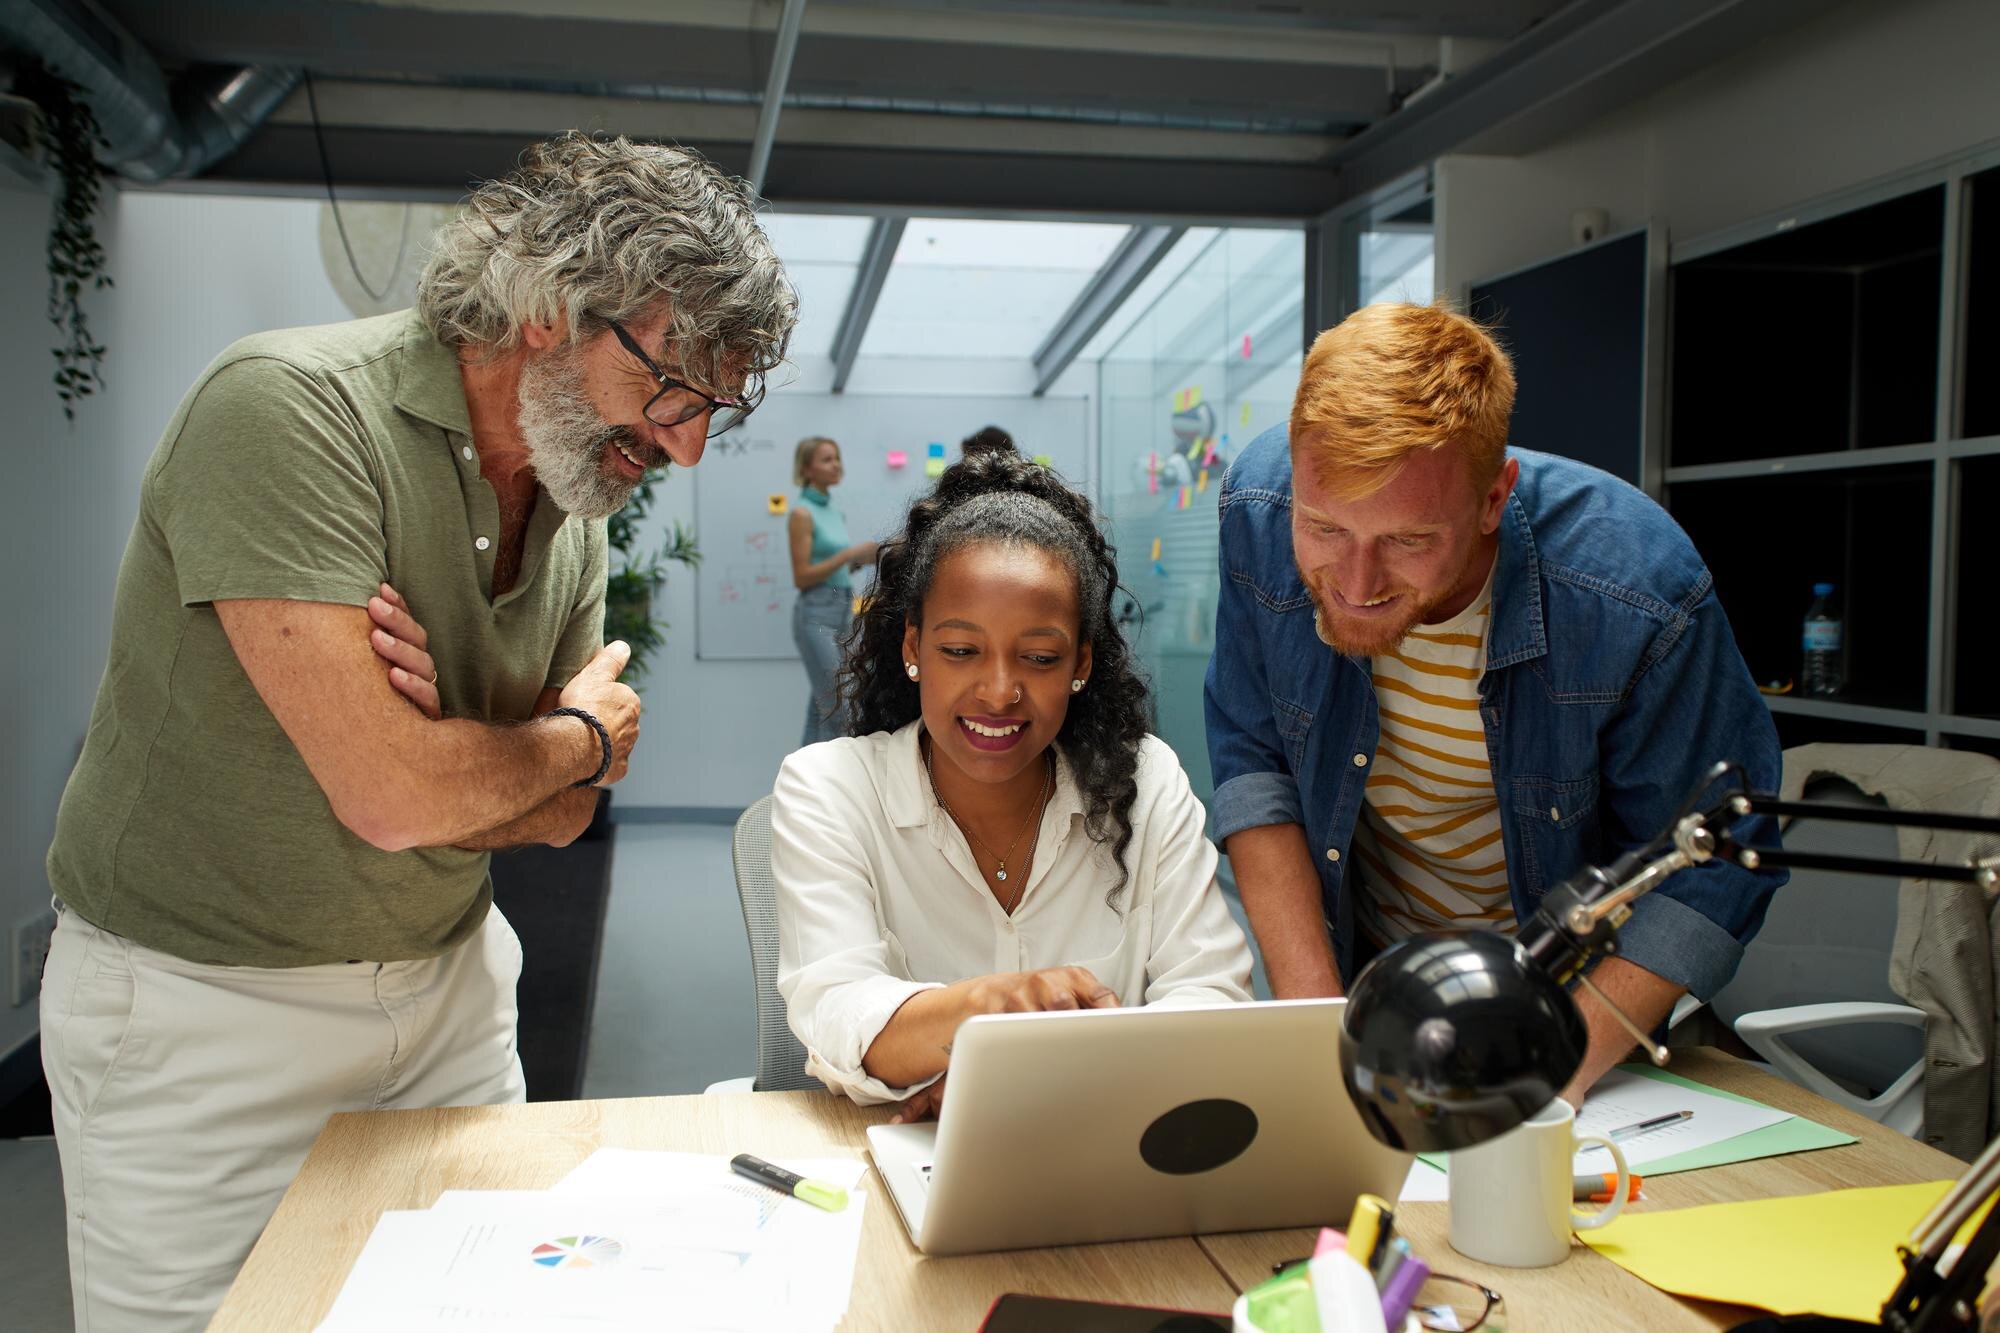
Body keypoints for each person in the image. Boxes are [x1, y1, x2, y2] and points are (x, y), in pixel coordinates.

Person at [38, 132, 795, 1331]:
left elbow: (561, 821)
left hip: (450, 993)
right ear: (551, 305)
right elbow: (404, 798)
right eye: (672, 387)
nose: (685, 445)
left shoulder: (578, 502)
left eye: (715, 410)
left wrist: (459, 754)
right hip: (206, 1016)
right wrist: (571, 737)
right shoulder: (286, 409)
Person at [1204, 301, 1786, 1103]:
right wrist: (1321, 1031)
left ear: (1493, 498)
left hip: (1583, 1011)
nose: (1357, 583)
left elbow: (1713, 859)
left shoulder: (1635, 590)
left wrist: (1548, 1077)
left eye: (1407, 539)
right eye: (1325, 527)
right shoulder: (1258, 507)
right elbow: (1256, 765)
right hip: (1377, 988)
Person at [773, 452, 1253, 1120]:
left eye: (1039, 657)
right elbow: (837, 1009)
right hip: (896, 1156)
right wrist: (986, 1009)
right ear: (913, 648)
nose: (999, 692)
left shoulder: (1146, 781)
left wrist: (1006, 1072)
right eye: (960, 650)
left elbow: (1214, 1001)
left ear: (1080, 662)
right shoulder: (828, 788)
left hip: (1102, 1154)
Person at [789, 435, 878, 744]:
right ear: (807, 469)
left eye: (837, 458)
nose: (836, 465)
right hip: (816, 614)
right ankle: (826, 773)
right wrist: (848, 555)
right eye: (827, 459)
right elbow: (802, 577)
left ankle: (801, 773)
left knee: (821, 707)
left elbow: (833, 567)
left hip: (841, 609)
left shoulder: (832, 510)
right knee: (836, 708)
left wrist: (857, 562)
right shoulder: (802, 513)